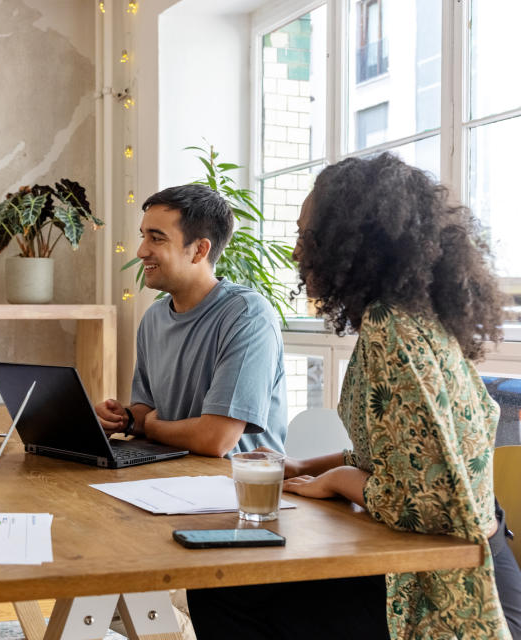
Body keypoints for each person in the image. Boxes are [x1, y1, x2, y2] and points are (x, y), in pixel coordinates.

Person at [190, 153, 521, 639]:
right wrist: (307, 467)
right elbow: (405, 451)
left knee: (230, 590)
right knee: (234, 587)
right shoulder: (409, 318)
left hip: (459, 593)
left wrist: (342, 480)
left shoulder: (395, 331)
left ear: (351, 243)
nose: (298, 252)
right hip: (442, 567)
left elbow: (442, 503)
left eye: (308, 236)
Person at [94, 183, 287, 457]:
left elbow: (216, 439)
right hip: (169, 476)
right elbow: (147, 410)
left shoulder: (248, 315)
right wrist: (123, 418)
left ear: (199, 250)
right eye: (143, 236)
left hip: (233, 488)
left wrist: (150, 428)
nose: (140, 251)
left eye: (156, 238)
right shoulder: (154, 317)